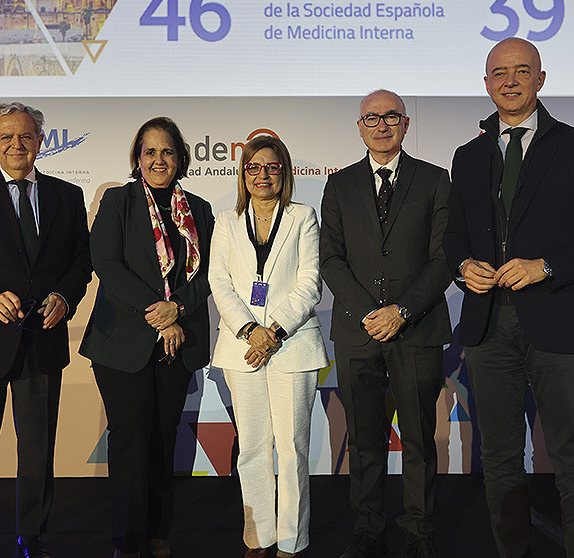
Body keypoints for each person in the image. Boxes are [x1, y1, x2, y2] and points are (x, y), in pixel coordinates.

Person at [443, 38, 574, 558]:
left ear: (540, 79)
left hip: (558, 323)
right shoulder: (469, 154)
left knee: (572, 457)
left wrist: (545, 267)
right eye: (499, 73)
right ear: (486, 84)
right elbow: (453, 236)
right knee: (500, 458)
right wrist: (463, 266)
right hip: (486, 327)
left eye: (521, 71)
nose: (509, 81)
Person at [0, 103, 92, 558]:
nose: (15, 145)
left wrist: (65, 298)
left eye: (25, 136)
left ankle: (33, 536)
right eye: (5, 137)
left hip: (42, 343)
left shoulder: (68, 196)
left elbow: (80, 264)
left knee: (38, 452)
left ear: (41, 142)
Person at [320, 90, 452, 558]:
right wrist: (369, 314)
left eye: (391, 116)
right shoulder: (338, 186)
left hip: (417, 328)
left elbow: (444, 259)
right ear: (359, 126)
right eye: (371, 118)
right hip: (358, 332)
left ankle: (419, 530)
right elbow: (331, 260)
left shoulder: (436, 180)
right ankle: (368, 530)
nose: (381, 125)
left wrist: (401, 311)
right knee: (365, 438)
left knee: (418, 438)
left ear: (406, 123)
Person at [79, 116, 214, 558]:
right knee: (131, 437)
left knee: (163, 437)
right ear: (138, 158)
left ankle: (159, 533)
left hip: (179, 342)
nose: (159, 159)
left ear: (181, 158)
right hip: (123, 343)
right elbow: (106, 263)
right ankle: (128, 539)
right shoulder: (118, 200)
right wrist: (160, 314)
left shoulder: (199, 208)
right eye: (150, 151)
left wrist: (179, 309)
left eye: (167, 151)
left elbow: (211, 273)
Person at [209, 135, 328, 558]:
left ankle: (293, 542)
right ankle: (258, 537)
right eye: (253, 167)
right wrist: (249, 330)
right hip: (242, 349)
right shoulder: (226, 220)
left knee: (293, 447)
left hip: (291, 346)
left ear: (285, 172)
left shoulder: (302, 217)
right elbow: (219, 282)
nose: (262, 175)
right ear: (243, 174)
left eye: (271, 167)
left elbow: (310, 283)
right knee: (253, 447)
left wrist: (273, 331)